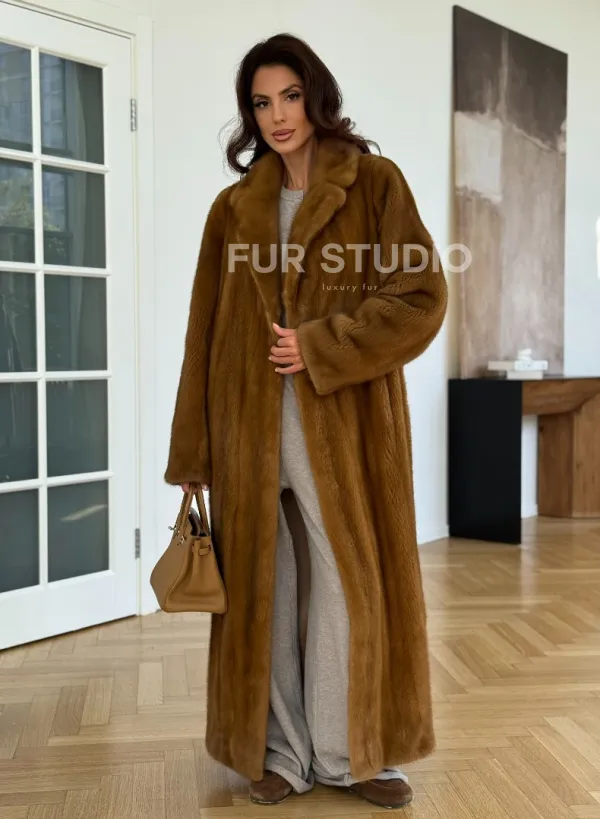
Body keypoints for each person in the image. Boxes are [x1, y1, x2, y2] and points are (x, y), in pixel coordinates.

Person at [164, 32, 447, 810]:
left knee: (347, 581)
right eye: (262, 103)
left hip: (343, 429)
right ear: (250, 115)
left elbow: (422, 297)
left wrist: (322, 344)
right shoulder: (233, 209)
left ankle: (349, 752)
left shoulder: (374, 183)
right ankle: (283, 753)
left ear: (315, 96)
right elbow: (203, 332)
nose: (278, 115)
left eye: (290, 96)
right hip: (246, 430)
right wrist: (193, 449)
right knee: (268, 589)